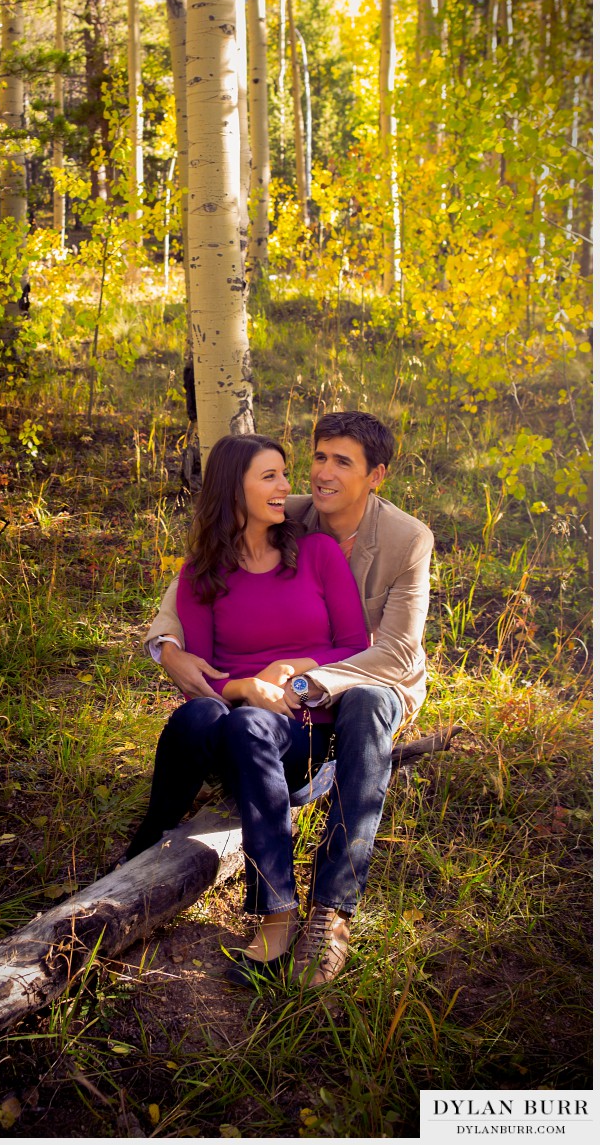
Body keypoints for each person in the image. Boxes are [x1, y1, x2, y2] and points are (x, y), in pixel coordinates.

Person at [134, 410, 434, 988]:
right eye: (318, 457)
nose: (320, 474)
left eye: (341, 462)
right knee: (223, 720)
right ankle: (269, 901)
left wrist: (295, 678)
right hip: (277, 707)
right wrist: (166, 647)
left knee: (368, 706)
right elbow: (191, 582)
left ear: (376, 476)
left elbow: (391, 651)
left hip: (373, 680)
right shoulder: (290, 510)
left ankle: (333, 911)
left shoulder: (406, 539)